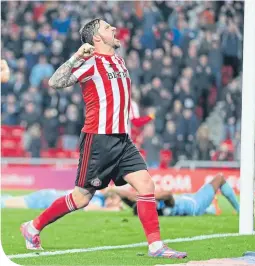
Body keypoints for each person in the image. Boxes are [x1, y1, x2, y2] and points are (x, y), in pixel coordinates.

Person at [20, 18, 187, 259]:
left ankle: (156, 246)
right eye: (108, 28)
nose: (114, 29)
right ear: (97, 38)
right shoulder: (90, 63)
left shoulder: (118, 60)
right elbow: (55, 82)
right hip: (98, 140)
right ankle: (32, 227)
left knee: (146, 185)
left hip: (122, 139)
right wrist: (77, 57)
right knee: (81, 198)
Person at [116, 173, 240, 217]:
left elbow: (123, 195)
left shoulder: (153, 206)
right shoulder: (164, 206)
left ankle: (211, 209)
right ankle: (240, 210)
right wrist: (142, 196)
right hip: (195, 204)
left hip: (189, 198)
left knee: (207, 197)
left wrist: (111, 191)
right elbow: (168, 194)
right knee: (219, 178)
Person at [1, 187, 124, 211]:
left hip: (52, 195)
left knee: (11, 200)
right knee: (7, 204)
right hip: (51, 199)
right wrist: (113, 209)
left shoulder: (95, 192)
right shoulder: (98, 199)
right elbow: (90, 208)